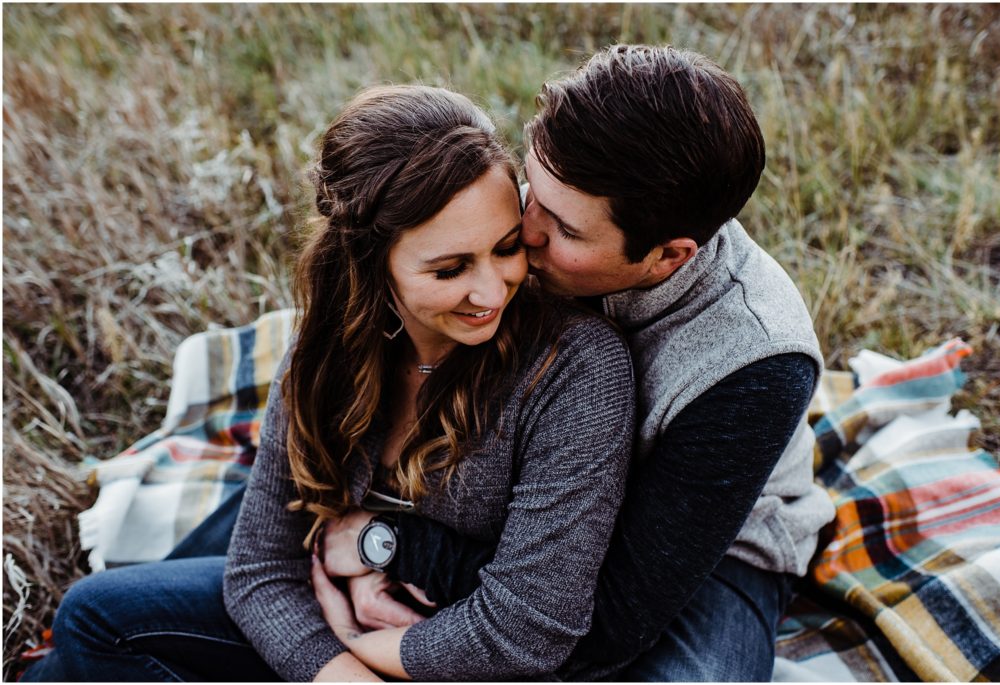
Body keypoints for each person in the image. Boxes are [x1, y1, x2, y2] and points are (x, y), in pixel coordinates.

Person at [20, 85, 635, 682]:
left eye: (505, 249)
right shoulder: (331, 346)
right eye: (449, 269)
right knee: (95, 616)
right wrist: (333, 668)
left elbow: (524, 635)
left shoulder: (575, 368)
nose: (491, 290)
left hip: (470, 660)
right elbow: (260, 568)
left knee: (83, 642)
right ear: (372, 265)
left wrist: (372, 639)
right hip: (338, 634)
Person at [318, 45, 837, 682]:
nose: (523, 235)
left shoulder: (756, 363)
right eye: (534, 186)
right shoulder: (541, 222)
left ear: (668, 256)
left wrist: (395, 547)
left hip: (703, 558)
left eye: (563, 230)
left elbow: (611, 621)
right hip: (509, 495)